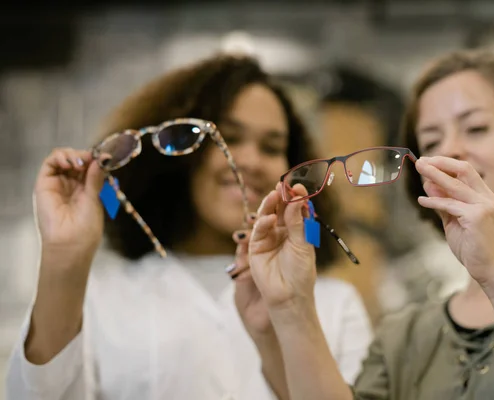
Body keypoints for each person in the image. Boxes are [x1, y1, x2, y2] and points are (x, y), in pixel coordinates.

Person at [5, 54, 373, 400]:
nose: (250, 160)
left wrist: (293, 316)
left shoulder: (333, 304)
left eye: (272, 146)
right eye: (229, 138)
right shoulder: (106, 299)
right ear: (181, 152)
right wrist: (64, 258)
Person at [243, 49, 494, 399]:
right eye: (431, 141)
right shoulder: (404, 335)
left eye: (476, 128)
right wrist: (291, 306)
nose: (450, 150)